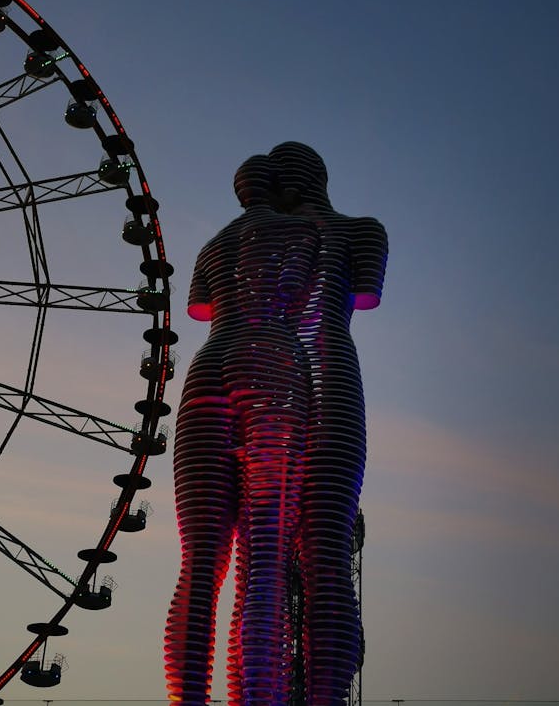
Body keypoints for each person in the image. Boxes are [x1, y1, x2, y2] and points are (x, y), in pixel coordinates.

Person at [165, 154, 318, 706]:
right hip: (271, 358)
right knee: (265, 551)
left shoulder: (212, 245)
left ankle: (187, 698)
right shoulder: (303, 229)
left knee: (200, 559)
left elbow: (199, 308)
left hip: (206, 367)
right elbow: (311, 300)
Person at [269, 141, 388, 706]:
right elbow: (365, 293)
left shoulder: (269, 242)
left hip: (276, 383)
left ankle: (306, 685)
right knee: (325, 546)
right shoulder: (364, 230)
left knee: (273, 552)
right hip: (331, 377)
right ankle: (325, 688)